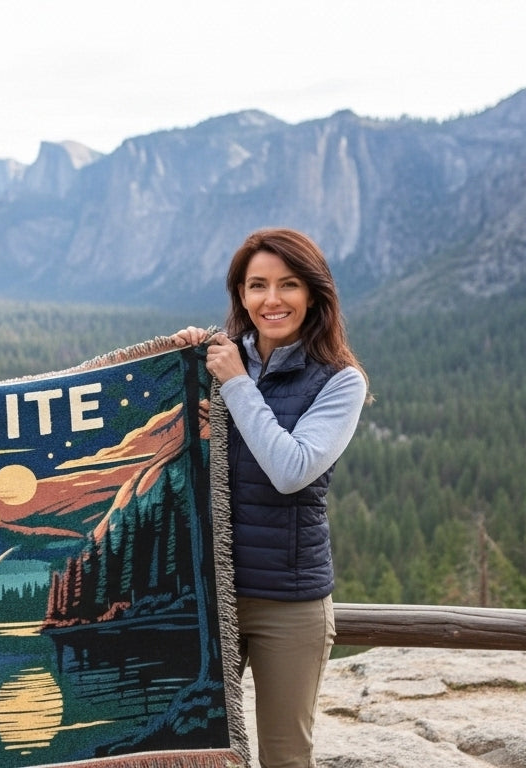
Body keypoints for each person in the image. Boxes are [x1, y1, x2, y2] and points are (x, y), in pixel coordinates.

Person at [175, 227, 369, 768]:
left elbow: (292, 470)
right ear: (240, 294)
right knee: (197, 752)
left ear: (313, 295)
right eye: (256, 285)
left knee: (285, 755)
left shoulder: (340, 381)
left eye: (288, 285)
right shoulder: (216, 363)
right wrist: (187, 366)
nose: (271, 299)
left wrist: (237, 384)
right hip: (210, 598)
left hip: (290, 600)